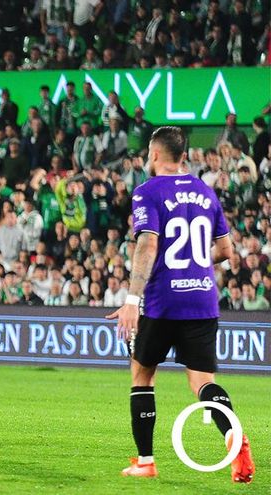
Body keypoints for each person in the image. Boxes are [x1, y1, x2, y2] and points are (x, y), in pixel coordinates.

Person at [107, 127, 255, 482]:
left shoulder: (147, 192)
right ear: (183, 155)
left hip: (163, 300)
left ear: (154, 155)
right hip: (203, 296)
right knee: (203, 382)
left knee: (142, 376)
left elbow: (147, 245)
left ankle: (145, 461)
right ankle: (234, 440)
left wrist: (130, 299)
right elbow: (225, 251)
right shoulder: (206, 192)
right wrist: (192, 264)